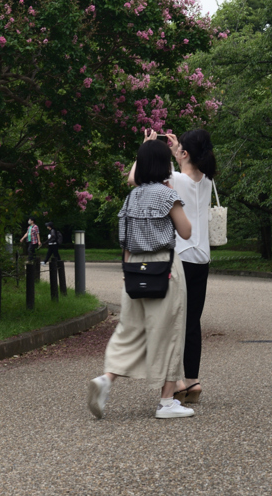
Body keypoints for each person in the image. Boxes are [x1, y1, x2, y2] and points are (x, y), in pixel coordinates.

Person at [88, 138, 194, 420]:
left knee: (130, 329)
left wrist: (126, 271)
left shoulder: (131, 197)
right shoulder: (166, 195)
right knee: (169, 332)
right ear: (164, 165)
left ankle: (106, 379)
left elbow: (124, 240)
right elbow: (185, 232)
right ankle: (167, 402)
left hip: (134, 267)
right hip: (164, 267)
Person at [164, 129, 217, 405]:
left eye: (180, 148)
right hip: (202, 257)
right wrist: (179, 151)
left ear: (185, 153)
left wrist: (168, 153)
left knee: (174, 322)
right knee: (192, 322)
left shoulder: (175, 179)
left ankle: (176, 382)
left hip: (181, 256)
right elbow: (187, 173)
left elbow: (160, 178)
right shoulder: (207, 181)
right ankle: (193, 380)